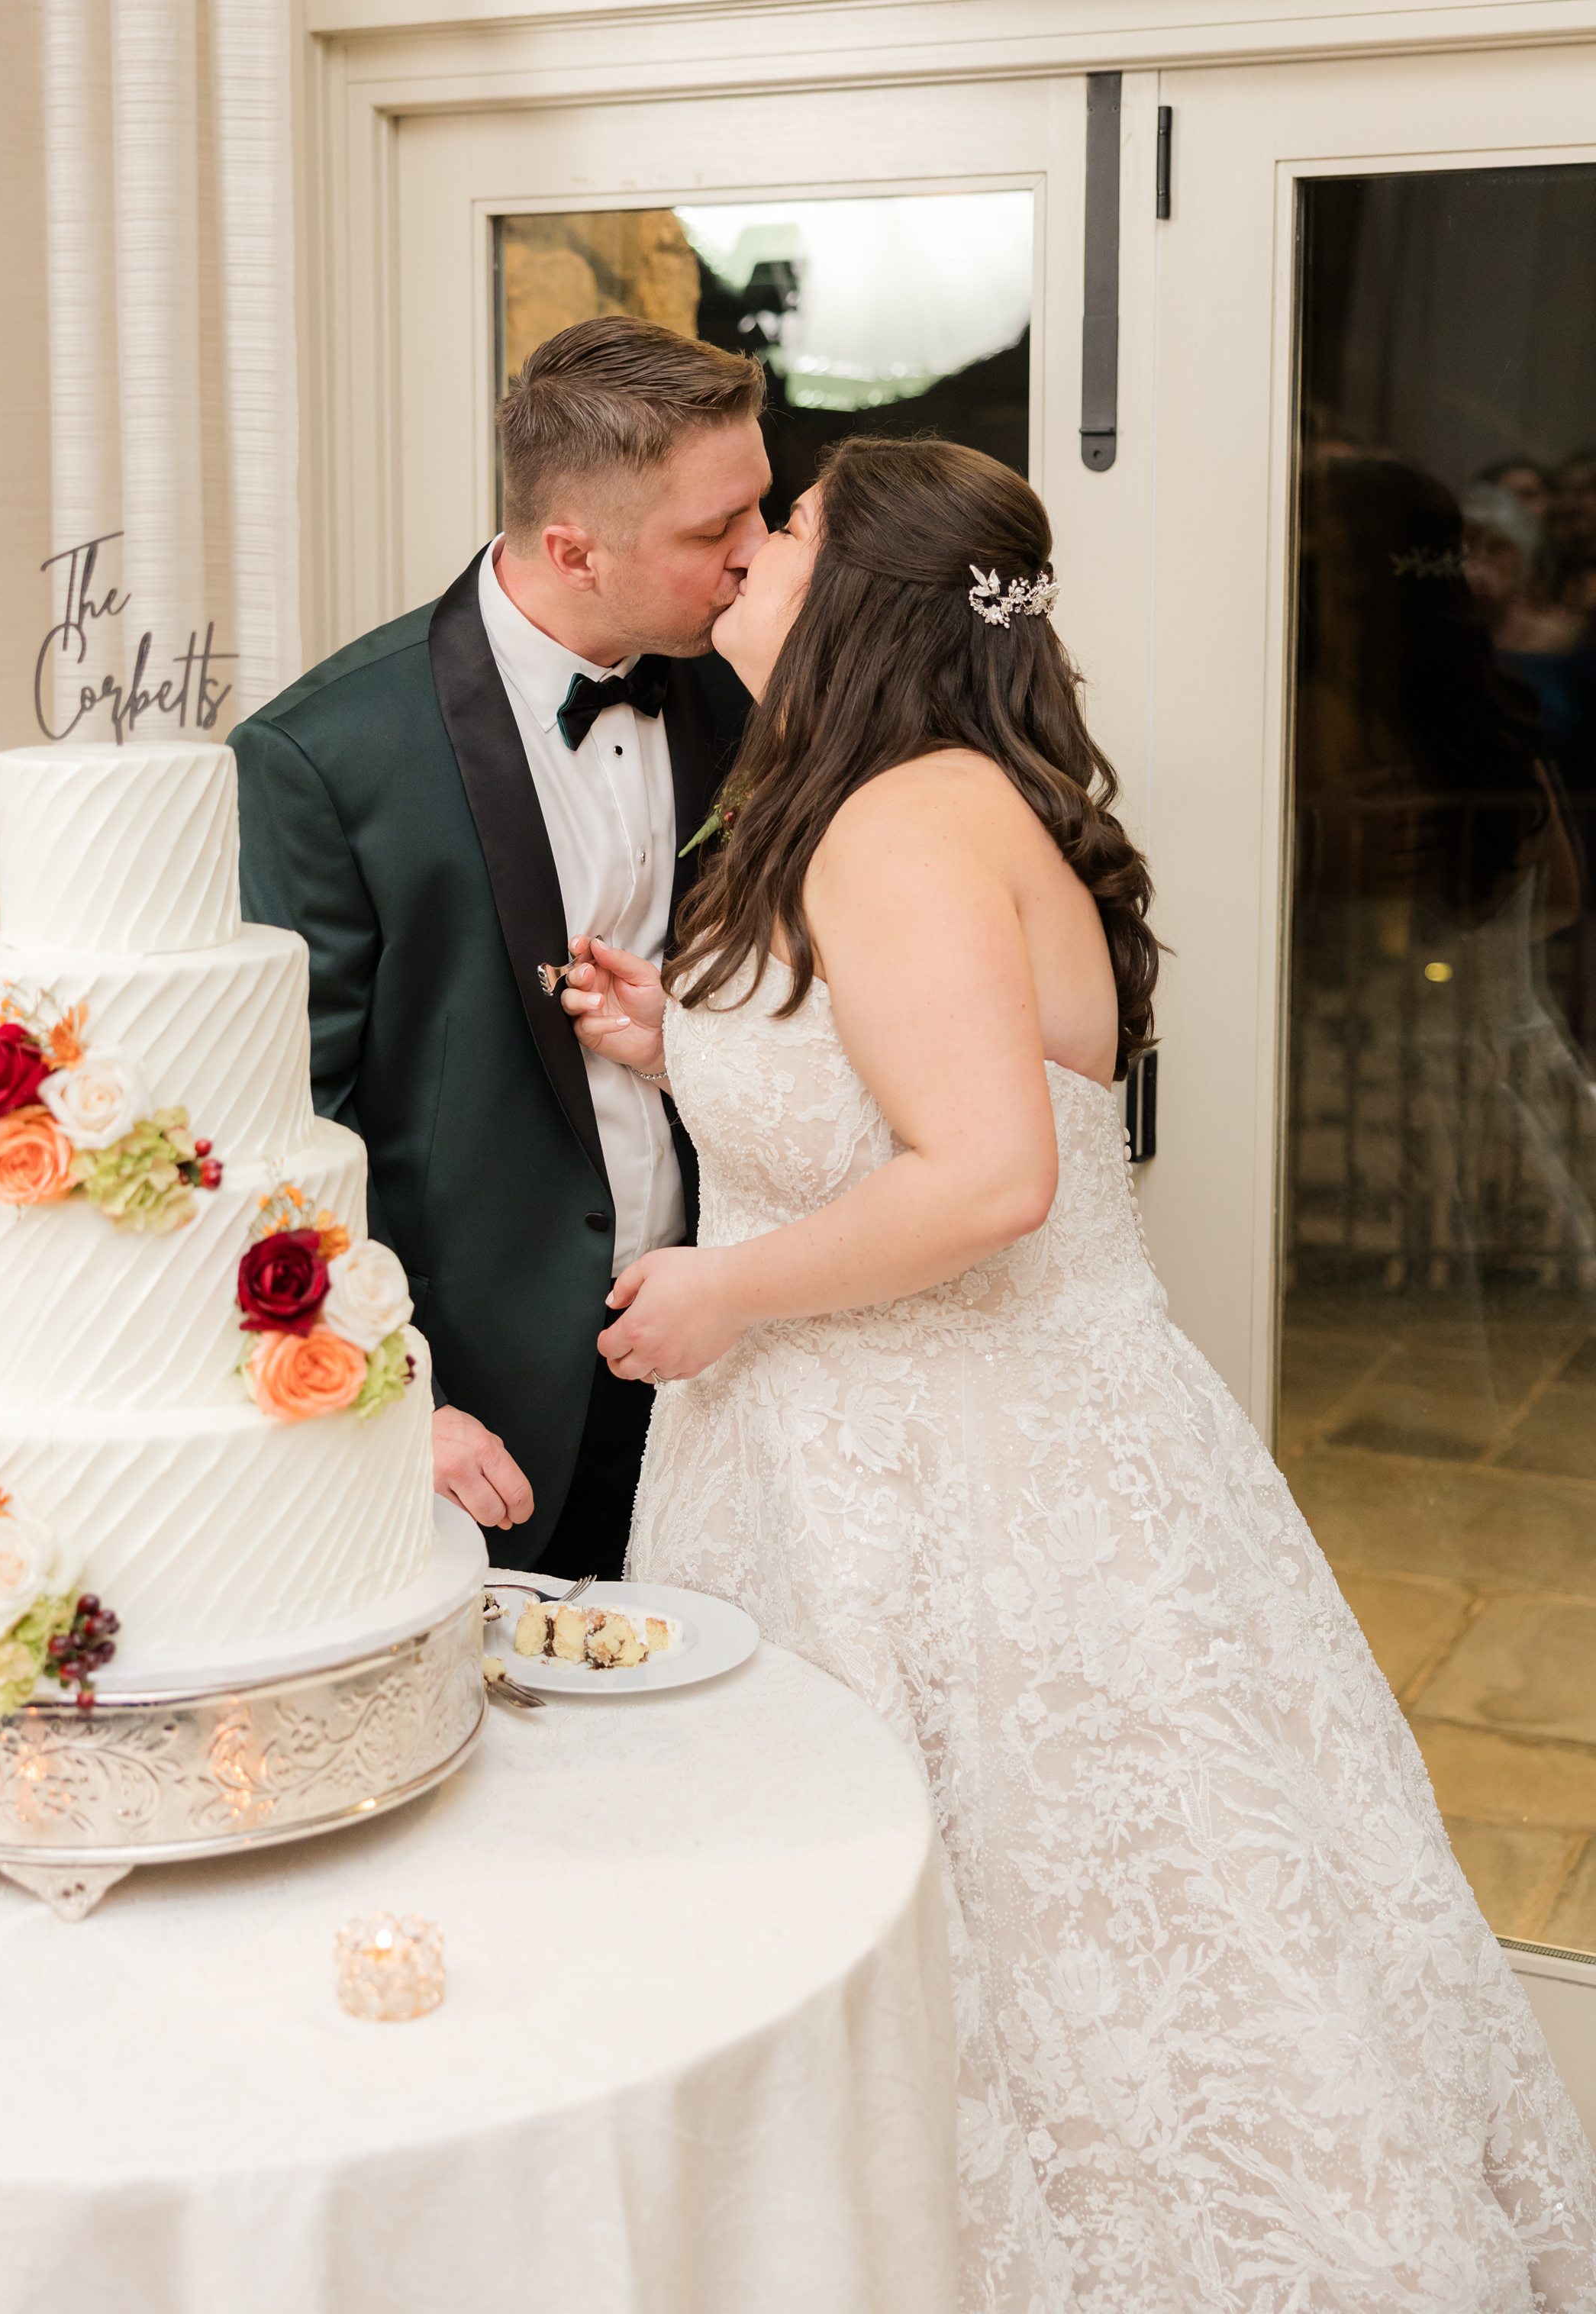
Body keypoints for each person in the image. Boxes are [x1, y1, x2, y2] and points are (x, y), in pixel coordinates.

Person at [560, 435, 1596, 2310]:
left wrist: (722, 1295)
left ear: (863, 592)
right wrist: (681, 1044)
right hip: (977, 1450)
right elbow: (894, 1081)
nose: (752, 559)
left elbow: (988, 1177)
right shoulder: (925, 800)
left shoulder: (897, 823)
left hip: (958, 1489)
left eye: (786, 530)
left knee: (1031, 1957)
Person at [232, 315, 762, 1577]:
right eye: (712, 533)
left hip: (730, 1360)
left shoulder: (749, 686)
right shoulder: (322, 757)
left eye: (760, 508)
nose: (755, 557)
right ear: (575, 549)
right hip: (482, 1411)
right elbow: (278, 1127)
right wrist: (386, 1395)